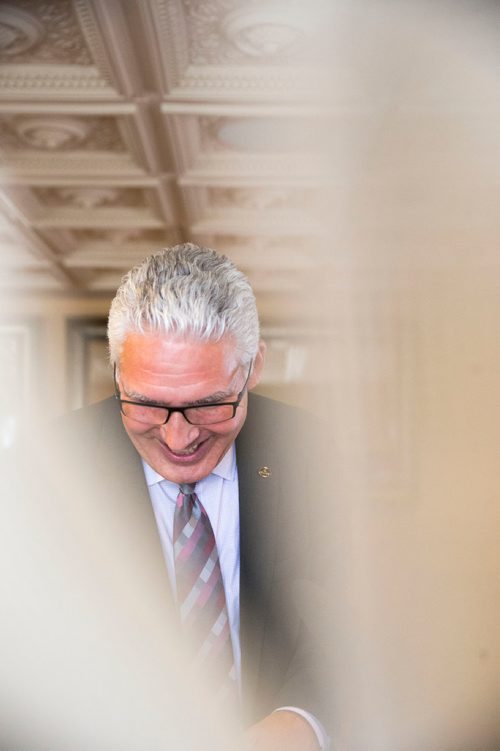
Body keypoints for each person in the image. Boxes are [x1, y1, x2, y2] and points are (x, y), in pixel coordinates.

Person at [3, 243, 329, 749]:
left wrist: (302, 724)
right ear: (117, 374)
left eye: (209, 406)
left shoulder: (316, 454)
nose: (178, 440)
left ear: (253, 368)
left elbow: (360, 637)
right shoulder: (45, 471)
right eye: (147, 405)